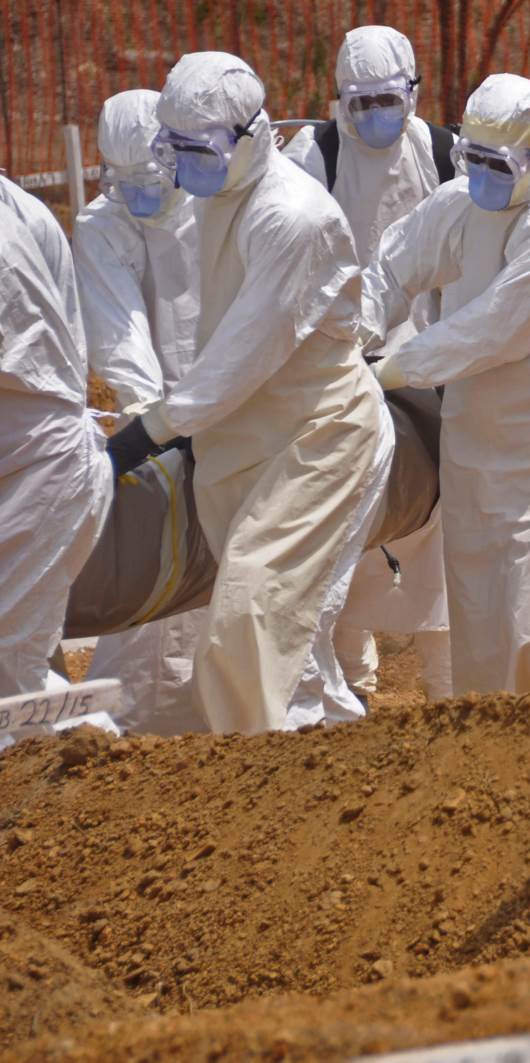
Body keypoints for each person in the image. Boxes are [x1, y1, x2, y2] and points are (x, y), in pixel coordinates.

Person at [109, 51, 393, 733]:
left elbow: (238, 357)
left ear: (250, 134)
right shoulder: (220, 192)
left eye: (196, 148)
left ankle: (272, 794)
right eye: (172, 146)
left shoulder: (291, 216)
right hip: (246, 443)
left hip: (318, 440)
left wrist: (139, 438)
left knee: (251, 616)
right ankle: (333, 771)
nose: (182, 164)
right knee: (292, 643)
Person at [363, 73, 530, 696]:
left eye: (497, 163)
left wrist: (387, 372)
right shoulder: (461, 205)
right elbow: (391, 268)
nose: (481, 175)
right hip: (475, 456)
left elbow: (494, 329)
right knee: (481, 650)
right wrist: (347, 341)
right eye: (470, 157)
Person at [282, 24, 453, 702]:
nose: (373, 116)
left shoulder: (441, 153)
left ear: (412, 92)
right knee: (345, 522)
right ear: (338, 102)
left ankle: (447, 687)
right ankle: (358, 683)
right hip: (342, 367)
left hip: (432, 367)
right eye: (359, 103)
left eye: (387, 99)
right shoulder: (313, 157)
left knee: (442, 524)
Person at [73, 88, 207, 734]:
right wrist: (159, 420)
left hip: (224, 411)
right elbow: (119, 332)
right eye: (127, 184)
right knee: (151, 590)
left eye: (150, 179)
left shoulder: (214, 204)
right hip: (157, 427)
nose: (142, 195)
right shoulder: (100, 229)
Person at [0, 174, 113, 697]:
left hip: (37, 469)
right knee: (21, 651)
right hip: (39, 457)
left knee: (11, 660)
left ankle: (81, 757)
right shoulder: (21, 207)